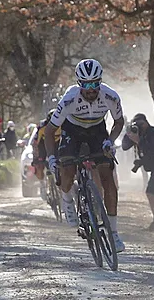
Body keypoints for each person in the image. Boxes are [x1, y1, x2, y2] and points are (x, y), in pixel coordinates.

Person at [45, 59, 125, 252]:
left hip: (97, 131)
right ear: (79, 84)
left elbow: (119, 122)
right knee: (67, 168)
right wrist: (51, 158)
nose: (91, 89)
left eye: (95, 83)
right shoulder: (68, 100)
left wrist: (110, 140)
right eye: (86, 85)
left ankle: (113, 233)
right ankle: (67, 199)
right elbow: (49, 131)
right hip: (72, 131)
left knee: (108, 179)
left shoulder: (110, 96)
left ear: (100, 81)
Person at [122, 113, 154, 234]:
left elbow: (153, 151)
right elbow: (125, 146)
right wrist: (128, 132)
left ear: (145, 123)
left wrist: (138, 141)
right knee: (151, 194)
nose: (139, 127)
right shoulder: (138, 134)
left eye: (140, 125)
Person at [32, 110, 61, 200]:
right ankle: (42, 184)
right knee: (39, 165)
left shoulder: (63, 123)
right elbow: (36, 143)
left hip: (57, 143)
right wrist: (37, 158)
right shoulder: (42, 127)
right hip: (43, 145)